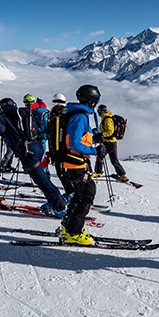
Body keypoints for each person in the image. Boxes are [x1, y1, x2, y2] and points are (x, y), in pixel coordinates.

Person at [0, 98, 66, 216]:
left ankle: (59, 208)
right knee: (41, 179)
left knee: (42, 181)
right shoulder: (23, 112)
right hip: (37, 147)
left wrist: (1, 129)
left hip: (27, 152)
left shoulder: (3, 115)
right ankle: (54, 203)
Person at [48, 85, 102, 245]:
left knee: (79, 196)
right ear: (92, 101)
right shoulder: (80, 117)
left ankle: (68, 227)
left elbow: (78, 137)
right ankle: (74, 233)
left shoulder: (76, 113)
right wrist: (95, 151)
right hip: (75, 163)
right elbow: (74, 143)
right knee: (87, 195)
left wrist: (94, 139)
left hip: (72, 163)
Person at [44, 94, 73, 198]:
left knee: (61, 173)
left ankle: (71, 193)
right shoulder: (67, 114)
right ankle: (72, 192)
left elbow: (56, 138)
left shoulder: (56, 117)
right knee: (68, 173)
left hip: (59, 151)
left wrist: (55, 154)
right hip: (69, 150)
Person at [96, 105, 128, 182]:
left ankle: (122, 174)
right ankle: (98, 172)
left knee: (114, 160)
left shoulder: (107, 119)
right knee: (100, 156)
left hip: (111, 142)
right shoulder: (105, 118)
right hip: (106, 142)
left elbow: (110, 131)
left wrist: (102, 135)